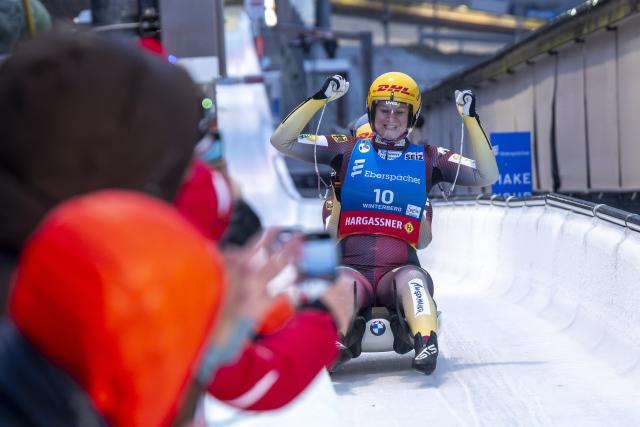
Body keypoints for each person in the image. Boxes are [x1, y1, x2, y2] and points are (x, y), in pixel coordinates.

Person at [271, 72, 499, 374]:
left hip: (399, 268)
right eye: (384, 110)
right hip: (353, 268)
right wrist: (320, 98)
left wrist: (471, 120)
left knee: (414, 282)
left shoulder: (429, 158)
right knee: (342, 285)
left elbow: (487, 175)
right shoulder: (346, 149)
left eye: (400, 111)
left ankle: (425, 341)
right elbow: (281, 140)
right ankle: (335, 341)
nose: (391, 118)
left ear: (412, 116)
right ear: (371, 111)